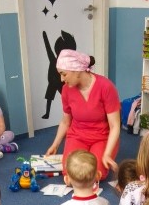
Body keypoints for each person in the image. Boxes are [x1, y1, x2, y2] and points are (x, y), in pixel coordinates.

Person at [44, 49, 121, 180]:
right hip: (77, 135)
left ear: (77, 71)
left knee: (95, 174)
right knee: (70, 173)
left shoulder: (106, 87)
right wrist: (55, 145)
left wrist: (107, 154)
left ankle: (100, 154)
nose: (62, 79)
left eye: (64, 74)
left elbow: (115, 126)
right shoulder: (66, 90)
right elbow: (65, 122)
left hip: (102, 137)